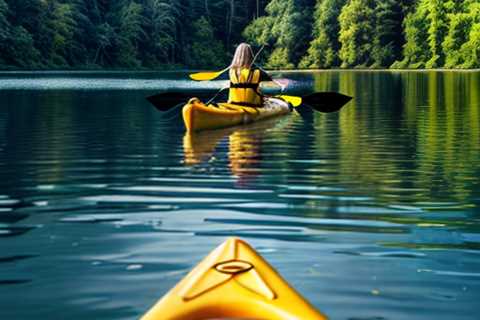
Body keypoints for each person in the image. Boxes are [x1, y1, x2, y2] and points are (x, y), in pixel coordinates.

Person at [228, 43, 288, 108]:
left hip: (233, 105)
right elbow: (274, 87)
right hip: (253, 106)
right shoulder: (259, 72)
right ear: (250, 55)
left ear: (236, 55)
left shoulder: (231, 71)